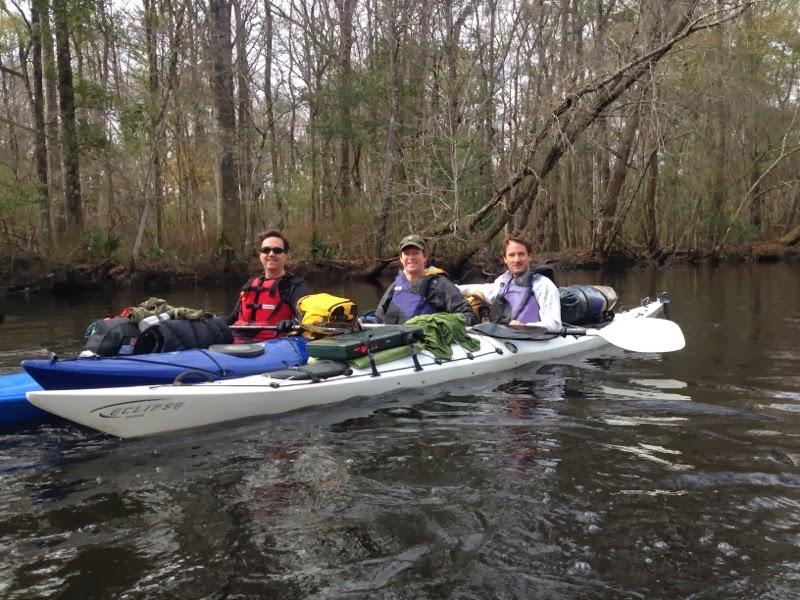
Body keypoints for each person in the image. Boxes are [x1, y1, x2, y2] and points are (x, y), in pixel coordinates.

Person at [458, 236, 561, 331]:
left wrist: (525, 327)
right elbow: (483, 290)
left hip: (532, 340)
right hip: (504, 337)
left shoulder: (544, 285)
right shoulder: (503, 281)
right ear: (505, 259)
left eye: (521, 254)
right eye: (511, 255)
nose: (516, 260)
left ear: (529, 256)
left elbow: (555, 324)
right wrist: (455, 288)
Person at [374, 234, 479, 325]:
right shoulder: (395, 286)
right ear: (401, 259)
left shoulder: (440, 284)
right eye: (406, 254)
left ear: (425, 256)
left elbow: (469, 317)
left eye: (416, 253)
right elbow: (378, 318)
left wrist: (437, 324)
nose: (411, 257)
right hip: (399, 341)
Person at [226, 229, 309, 341]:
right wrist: (213, 323)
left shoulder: (294, 285)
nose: (271, 254)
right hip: (239, 341)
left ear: (285, 255)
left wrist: (293, 322)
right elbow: (233, 317)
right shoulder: (250, 284)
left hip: (273, 344)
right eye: (266, 250)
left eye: (277, 250)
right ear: (260, 255)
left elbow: (303, 315)